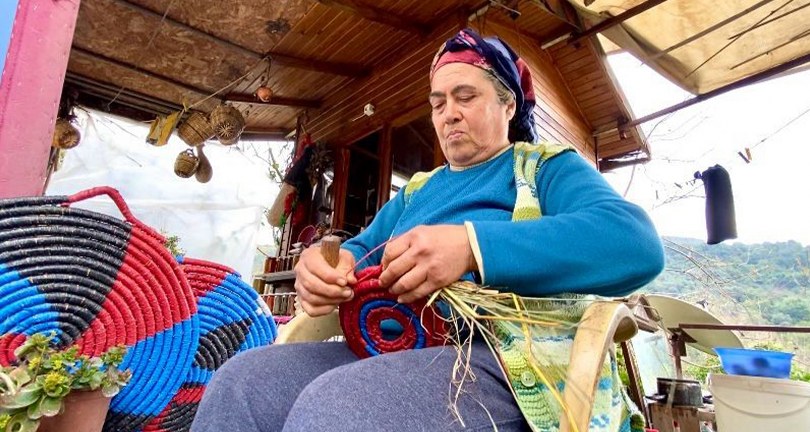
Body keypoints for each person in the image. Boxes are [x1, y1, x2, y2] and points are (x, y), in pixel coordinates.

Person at [191, 28, 664, 432]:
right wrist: (325, 269)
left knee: (338, 408)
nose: (447, 113)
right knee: (242, 383)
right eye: (438, 102)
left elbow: (634, 243)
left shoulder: (542, 169)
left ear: (507, 105)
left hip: (501, 362)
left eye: (466, 96)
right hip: (389, 346)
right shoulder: (419, 191)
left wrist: (472, 246)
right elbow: (359, 249)